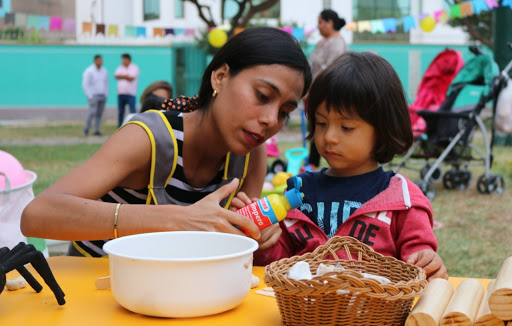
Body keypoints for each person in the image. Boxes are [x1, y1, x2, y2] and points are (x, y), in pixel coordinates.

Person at [20, 27, 312, 257]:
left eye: (285, 112)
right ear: (221, 77)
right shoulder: (149, 137)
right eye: (262, 96)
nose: (271, 120)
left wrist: (256, 234)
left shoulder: (251, 154)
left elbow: (226, 247)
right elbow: (38, 214)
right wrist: (177, 219)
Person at [253, 52, 447, 281]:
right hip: (302, 313)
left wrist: (427, 261)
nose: (330, 137)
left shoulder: (402, 200)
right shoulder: (298, 193)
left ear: (383, 129)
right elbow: (280, 262)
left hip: (375, 313)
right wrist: (264, 242)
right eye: (322, 123)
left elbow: (419, 260)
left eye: (346, 127)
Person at [308, 9, 347, 169]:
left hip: (329, 94)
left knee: (324, 126)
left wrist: (313, 92)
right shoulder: (323, 42)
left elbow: (330, 69)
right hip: (316, 92)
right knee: (316, 126)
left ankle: (326, 164)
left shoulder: (337, 43)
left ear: (330, 23)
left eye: (320, 22)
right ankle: (312, 164)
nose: (318, 26)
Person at [82, 54, 108, 136]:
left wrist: (106, 94)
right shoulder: (89, 71)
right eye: (99, 60)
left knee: (99, 114)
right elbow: (85, 84)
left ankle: (96, 130)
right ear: (95, 61)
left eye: (101, 61)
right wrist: (89, 95)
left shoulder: (104, 71)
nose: (100, 62)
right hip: (93, 95)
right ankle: (86, 129)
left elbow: (106, 83)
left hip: (102, 95)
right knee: (92, 113)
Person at [114, 53, 140, 127]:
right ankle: (120, 125)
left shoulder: (134, 67)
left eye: (124, 59)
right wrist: (126, 76)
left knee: (132, 111)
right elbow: (116, 75)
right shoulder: (120, 67)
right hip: (121, 93)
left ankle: (135, 125)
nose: (123, 61)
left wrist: (122, 76)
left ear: (128, 59)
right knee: (120, 111)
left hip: (131, 93)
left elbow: (131, 78)